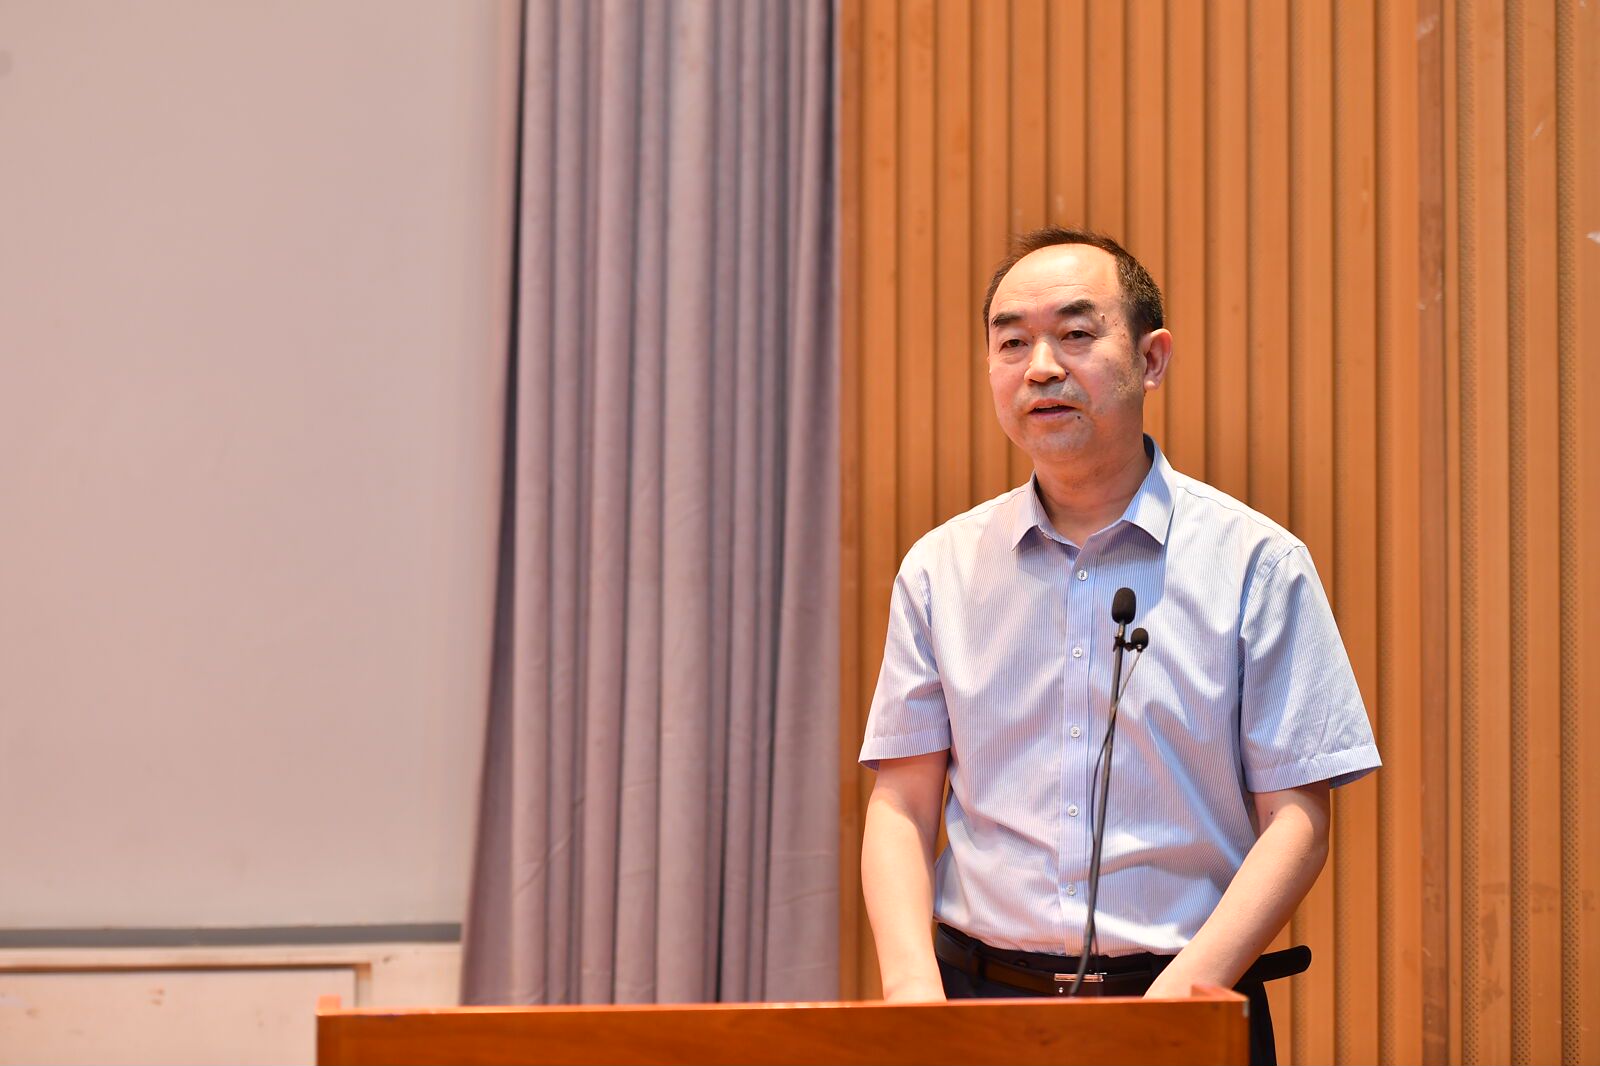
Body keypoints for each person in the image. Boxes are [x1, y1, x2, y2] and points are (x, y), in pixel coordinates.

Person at [858, 227, 1381, 1066]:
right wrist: (913, 1002)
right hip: (978, 1006)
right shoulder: (939, 570)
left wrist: (1176, 1004)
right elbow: (902, 805)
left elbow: (1298, 822)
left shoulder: (1257, 563)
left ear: (1152, 358)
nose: (1040, 367)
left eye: (1075, 333)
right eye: (1011, 343)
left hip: (1187, 1005)